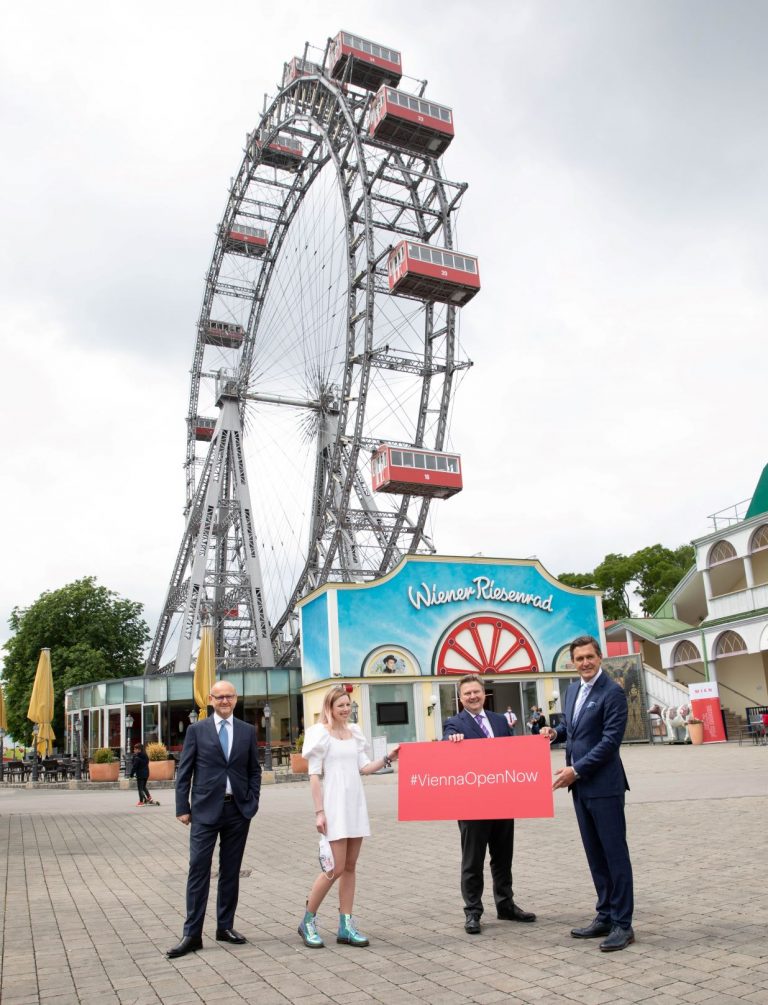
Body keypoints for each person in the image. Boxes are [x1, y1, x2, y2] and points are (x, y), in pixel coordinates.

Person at [541, 635, 634, 952]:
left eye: (589, 657)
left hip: (604, 786)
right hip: (579, 787)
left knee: (614, 855)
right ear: (573, 661)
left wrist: (575, 770)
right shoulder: (572, 690)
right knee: (595, 855)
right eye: (579, 658)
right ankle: (605, 915)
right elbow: (572, 727)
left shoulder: (613, 693)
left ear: (600, 657)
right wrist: (554, 732)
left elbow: (609, 743)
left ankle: (623, 924)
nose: (584, 663)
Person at [298, 684, 399, 949]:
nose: (345, 709)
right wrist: (319, 812)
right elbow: (314, 776)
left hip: (355, 804)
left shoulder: (354, 733)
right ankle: (307, 920)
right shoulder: (320, 734)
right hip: (333, 806)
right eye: (340, 705)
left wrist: (388, 758)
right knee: (334, 868)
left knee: (350, 867)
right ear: (329, 708)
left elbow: (365, 767)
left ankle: (345, 924)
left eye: (348, 705)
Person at [166, 682, 261, 959]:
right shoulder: (197, 731)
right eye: (219, 697)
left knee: (230, 872)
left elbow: (254, 770)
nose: (224, 701)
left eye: (229, 696)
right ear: (210, 699)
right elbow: (184, 772)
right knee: (198, 870)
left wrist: (252, 801)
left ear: (236, 698)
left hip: (238, 812)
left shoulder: (247, 731)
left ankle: (225, 927)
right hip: (205, 812)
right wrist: (182, 807)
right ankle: (192, 934)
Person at [443, 674, 536, 935]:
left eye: (476, 692)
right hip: (472, 804)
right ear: (460, 698)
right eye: (467, 693)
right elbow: (444, 747)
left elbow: (515, 754)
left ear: (484, 694)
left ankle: (506, 905)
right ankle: (473, 912)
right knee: (472, 860)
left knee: (503, 857)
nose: (472, 696)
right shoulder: (454, 723)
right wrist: (451, 741)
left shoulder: (499, 721)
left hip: (503, 800)